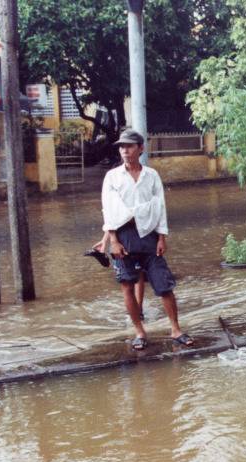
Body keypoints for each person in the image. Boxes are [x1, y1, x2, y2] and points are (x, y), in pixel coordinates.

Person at [100, 129, 192, 350]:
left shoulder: (151, 175)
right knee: (127, 286)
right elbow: (108, 210)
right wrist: (113, 240)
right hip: (123, 235)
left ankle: (175, 329)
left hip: (149, 235)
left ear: (140, 149)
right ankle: (140, 332)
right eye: (122, 146)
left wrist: (162, 237)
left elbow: (160, 206)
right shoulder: (112, 176)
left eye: (129, 146)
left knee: (164, 285)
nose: (124, 150)